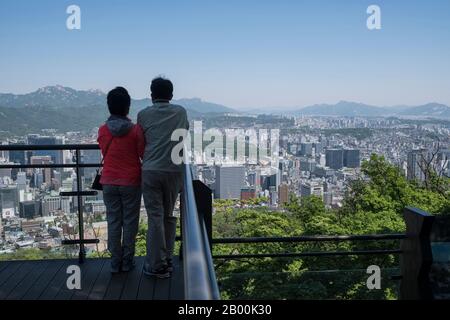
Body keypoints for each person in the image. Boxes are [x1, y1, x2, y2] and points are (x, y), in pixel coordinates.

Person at [137, 77, 189, 279]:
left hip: (150, 169)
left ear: (151, 95)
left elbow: (140, 142)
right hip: (174, 169)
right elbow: (184, 134)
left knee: (155, 218)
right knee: (168, 215)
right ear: (171, 95)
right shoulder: (181, 112)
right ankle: (167, 257)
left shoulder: (143, 115)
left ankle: (156, 265)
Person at [97, 87, 145, 273]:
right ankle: (127, 261)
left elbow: (104, 152)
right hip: (131, 181)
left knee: (113, 221)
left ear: (109, 106)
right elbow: (141, 153)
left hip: (108, 181)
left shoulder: (102, 131)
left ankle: (115, 262)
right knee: (130, 221)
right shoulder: (135, 131)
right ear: (128, 107)